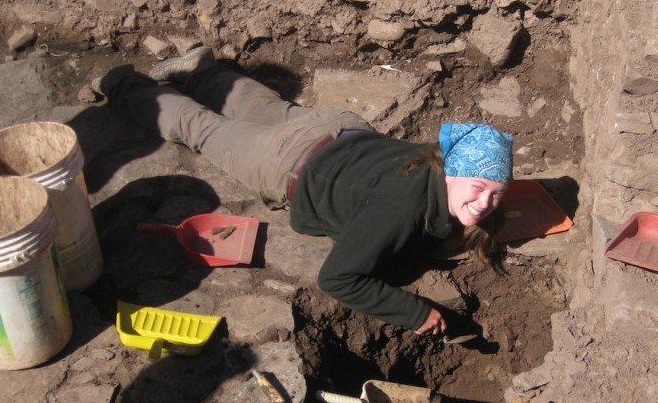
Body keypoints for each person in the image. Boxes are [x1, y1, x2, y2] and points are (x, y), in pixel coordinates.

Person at [93, 47, 514, 337]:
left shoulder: (432, 159)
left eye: (496, 194)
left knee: (260, 106)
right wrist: (415, 312)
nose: (485, 202)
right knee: (201, 129)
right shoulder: (400, 207)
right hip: (283, 163)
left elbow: (460, 208)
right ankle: (124, 85)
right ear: (451, 173)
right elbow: (337, 279)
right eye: (478, 189)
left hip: (335, 127)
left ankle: (204, 70)